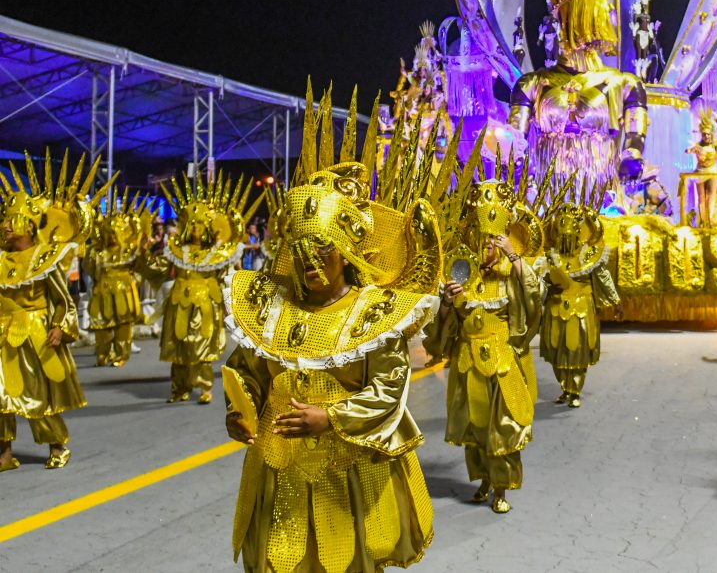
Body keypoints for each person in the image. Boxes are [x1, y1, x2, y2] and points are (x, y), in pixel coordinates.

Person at [224, 86, 438, 571]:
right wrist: (241, 411)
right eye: (301, 253)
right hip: (280, 468)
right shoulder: (270, 309)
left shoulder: (374, 312)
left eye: (322, 250)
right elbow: (247, 371)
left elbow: (388, 390)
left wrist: (332, 419)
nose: (311, 264)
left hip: (350, 473)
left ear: (347, 249)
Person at [424, 177, 543, 514]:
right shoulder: (462, 275)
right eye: (483, 238)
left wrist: (514, 257)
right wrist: (448, 304)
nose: (487, 244)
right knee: (475, 430)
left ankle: (502, 488)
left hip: (502, 359)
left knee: (503, 429)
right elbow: (442, 327)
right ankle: (484, 481)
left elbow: (532, 299)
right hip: (467, 363)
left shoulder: (511, 274)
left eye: (494, 238)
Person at [0, 151, 106, 471]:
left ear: (28, 225)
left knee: (37, 397)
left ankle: (57, 444)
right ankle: (4, 454)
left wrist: (59, 325)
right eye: (4, 219)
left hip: (35, 336)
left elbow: (64, 300)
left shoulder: (45, 259)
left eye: (10, 220)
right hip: (3, 335)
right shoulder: (1, 260)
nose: (5, 226)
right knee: (0, 397)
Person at [157, 171, 261, 404]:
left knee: (203, 347)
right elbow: (157, 271)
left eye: (200, 225)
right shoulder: (175, 250)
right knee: (179, 348)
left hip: (206, 304)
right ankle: (179, 388)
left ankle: (205, 387)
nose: (195, 229)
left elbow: (228, 277)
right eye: (191, 224)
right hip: (179, 303)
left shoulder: (219, 254)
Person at [538, 185, 622, 407]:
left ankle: (575, 390)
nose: (566, 240)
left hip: (582, 306)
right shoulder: (550, 256)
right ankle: (565, 388)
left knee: (577, 350)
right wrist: (547, 289)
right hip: (556, 308)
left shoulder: (590, 254)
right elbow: (538, 280)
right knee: (557, 351)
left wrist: (615, 302)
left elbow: (603, 277)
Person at [85, 194, 154, 366]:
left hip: (124, 291)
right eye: (109, 232)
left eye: (116, 232)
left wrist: (134, 278)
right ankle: (103, 354)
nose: (113, 236)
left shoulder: (130, 251)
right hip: (103, 291)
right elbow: (90, 268)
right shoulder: (98, 253)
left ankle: (121, 355)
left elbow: (142, 267)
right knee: (102, 326)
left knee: (123, 327)